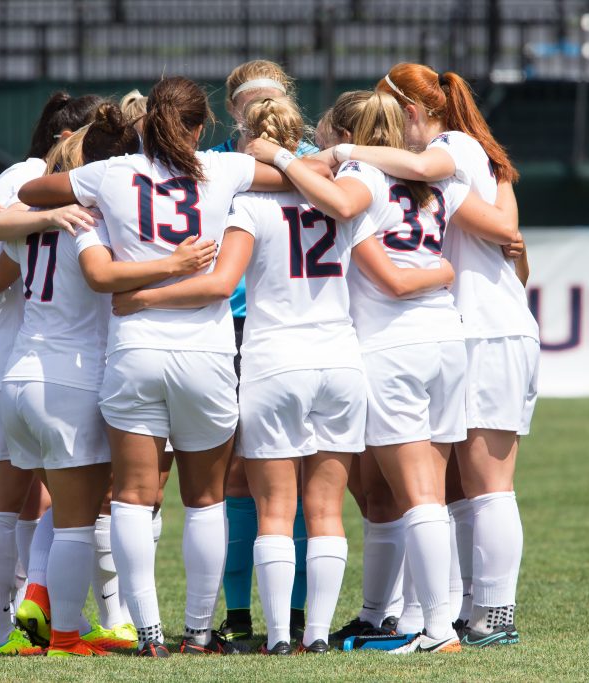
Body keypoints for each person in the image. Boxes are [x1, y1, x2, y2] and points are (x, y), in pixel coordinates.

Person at [111, 95, 454, 655]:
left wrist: (140, 296)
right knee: (324, 512)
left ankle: (274, 638)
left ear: (251, 142)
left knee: (274, 509)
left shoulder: (246, 205)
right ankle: (315, 636)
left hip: (274, 361)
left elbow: (222, 283)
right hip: (339, 360)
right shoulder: (349, 202)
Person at [17, 75, 330, 658]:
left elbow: (37, 191)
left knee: (134, 496)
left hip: (134, 347)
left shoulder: (112, 174)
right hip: (206, 353)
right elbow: (294, 182)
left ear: (145, 124)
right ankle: (199, 632)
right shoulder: (220, 168)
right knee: (206, 499)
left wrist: (75, 206)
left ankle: (150, 634)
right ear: (198, 126)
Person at [247, 89, 518, 655]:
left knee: (418, 495)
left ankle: (437, 630)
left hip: (390, 345)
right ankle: (419, 619)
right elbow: (503, 232)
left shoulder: (363, 179)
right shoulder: (439, 181)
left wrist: (279, 156)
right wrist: (441, 270)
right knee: (431, 493)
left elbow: (343, 209)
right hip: (446, 341)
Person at [333, 63, 539, 646]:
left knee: (488, 484)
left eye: (392, 115)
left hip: (483, 330)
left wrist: (349, 150)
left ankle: (493, 615)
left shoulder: (450, 148)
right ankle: (462, 612)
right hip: (477, 328)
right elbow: (509, 237)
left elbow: (481, 211)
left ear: (416, 112)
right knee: (456, 489)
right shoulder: (465, 163)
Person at [0, 91, 105, 656]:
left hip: (8, 363)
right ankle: (4, 629)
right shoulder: (28, 176)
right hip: (9, 361)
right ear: (70, 139)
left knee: (32, 502)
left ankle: (27, 618)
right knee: (13, 502)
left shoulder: (53, 187)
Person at [208, 57, 318, 647]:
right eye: (247, 103)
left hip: (296, 329)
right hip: (236, 325)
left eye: (267, 100)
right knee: (237, 476)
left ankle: (298, 616)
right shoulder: (221, 164)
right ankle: (240, 614)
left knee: (295, 476)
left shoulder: (317, 161)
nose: (257, 110)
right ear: (232, 109)